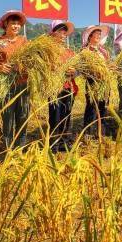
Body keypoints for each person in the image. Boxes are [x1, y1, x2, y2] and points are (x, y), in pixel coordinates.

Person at [0, 10, 30, 148]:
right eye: (12, 23)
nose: (16, 26)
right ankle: (7, 148)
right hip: (5, 86)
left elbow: (32, 60)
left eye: (18, 24)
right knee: (6, 118)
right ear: (5, 25)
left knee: (23, 116)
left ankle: (20, 148)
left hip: (23, 84)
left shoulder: (24, 41)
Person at [48, 20, 78, 151]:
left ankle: (64, 141)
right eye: (60, 31)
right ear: (53, 33)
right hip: (54, 88)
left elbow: (78, 69)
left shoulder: (70, 52)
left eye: (65, 32)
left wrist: (74, 72)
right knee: (55, 116)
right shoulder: (48, 51)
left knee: (67, 115)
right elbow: (43, 69)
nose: (63, 34)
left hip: (68, 87)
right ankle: (53, 143)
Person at [81, 25, 112, 137]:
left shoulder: (103, 51)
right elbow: (83, 69)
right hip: (92, 82)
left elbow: (108, 65)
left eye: (100, 34)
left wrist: (109, 69)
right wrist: (95, 72)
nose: (99, 36)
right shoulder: (85, 51)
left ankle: (100, 133)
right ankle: (88, 134)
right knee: (91, 108)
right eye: (97, 34)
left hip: (105, 83)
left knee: (103, 107)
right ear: (90, 36)